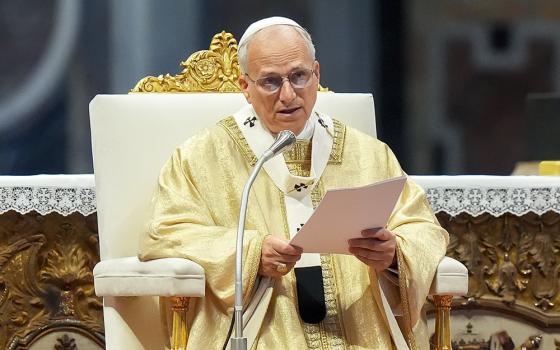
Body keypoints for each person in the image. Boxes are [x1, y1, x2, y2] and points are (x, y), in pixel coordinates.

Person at [139, 16, 448, 350]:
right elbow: (164, 233)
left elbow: (423, 228)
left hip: (358, 330)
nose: (288, 95)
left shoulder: (369, 154)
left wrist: (392, 255)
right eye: (270, 82)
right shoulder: (202, 157)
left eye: (299, 76)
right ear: (245, 86)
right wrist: (250, 252)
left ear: (317, 74)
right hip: (262, 331)